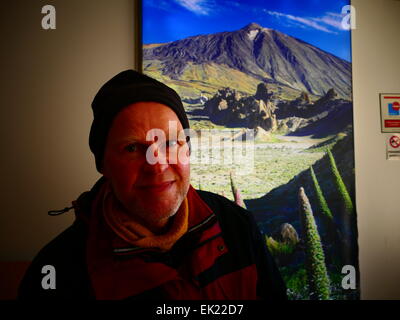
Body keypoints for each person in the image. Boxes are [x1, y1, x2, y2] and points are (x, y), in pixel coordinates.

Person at [18, 70, 287, 300]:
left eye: (170, 143)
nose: (157, 165)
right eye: (133, 148)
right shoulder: (58, 270)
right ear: (104, 164)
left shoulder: (237, 225)